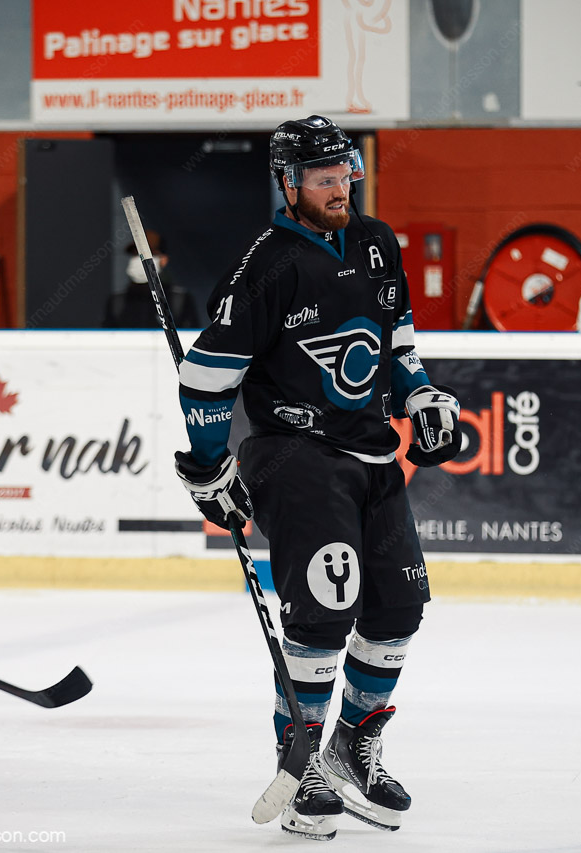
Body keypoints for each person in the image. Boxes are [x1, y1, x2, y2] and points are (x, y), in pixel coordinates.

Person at [173, 115, 461, 840]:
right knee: (327, 612)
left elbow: (398, 345)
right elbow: (206, 377)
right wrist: (208, 467)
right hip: (294, 455)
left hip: (372, 454)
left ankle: (349, 750)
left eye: (345, 175)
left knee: (398, 608)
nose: (340, 189)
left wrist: (421, 395)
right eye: (323, 179)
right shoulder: (266, 264)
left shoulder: (376, 242)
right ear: (289, 182)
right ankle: (299, 766)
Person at [103, 230, 200, 329]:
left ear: (163, 260)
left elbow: (190, 335)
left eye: (149, 254)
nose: (140, 259)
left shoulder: (179, 300)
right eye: (136, 254)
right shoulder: (117, 302)